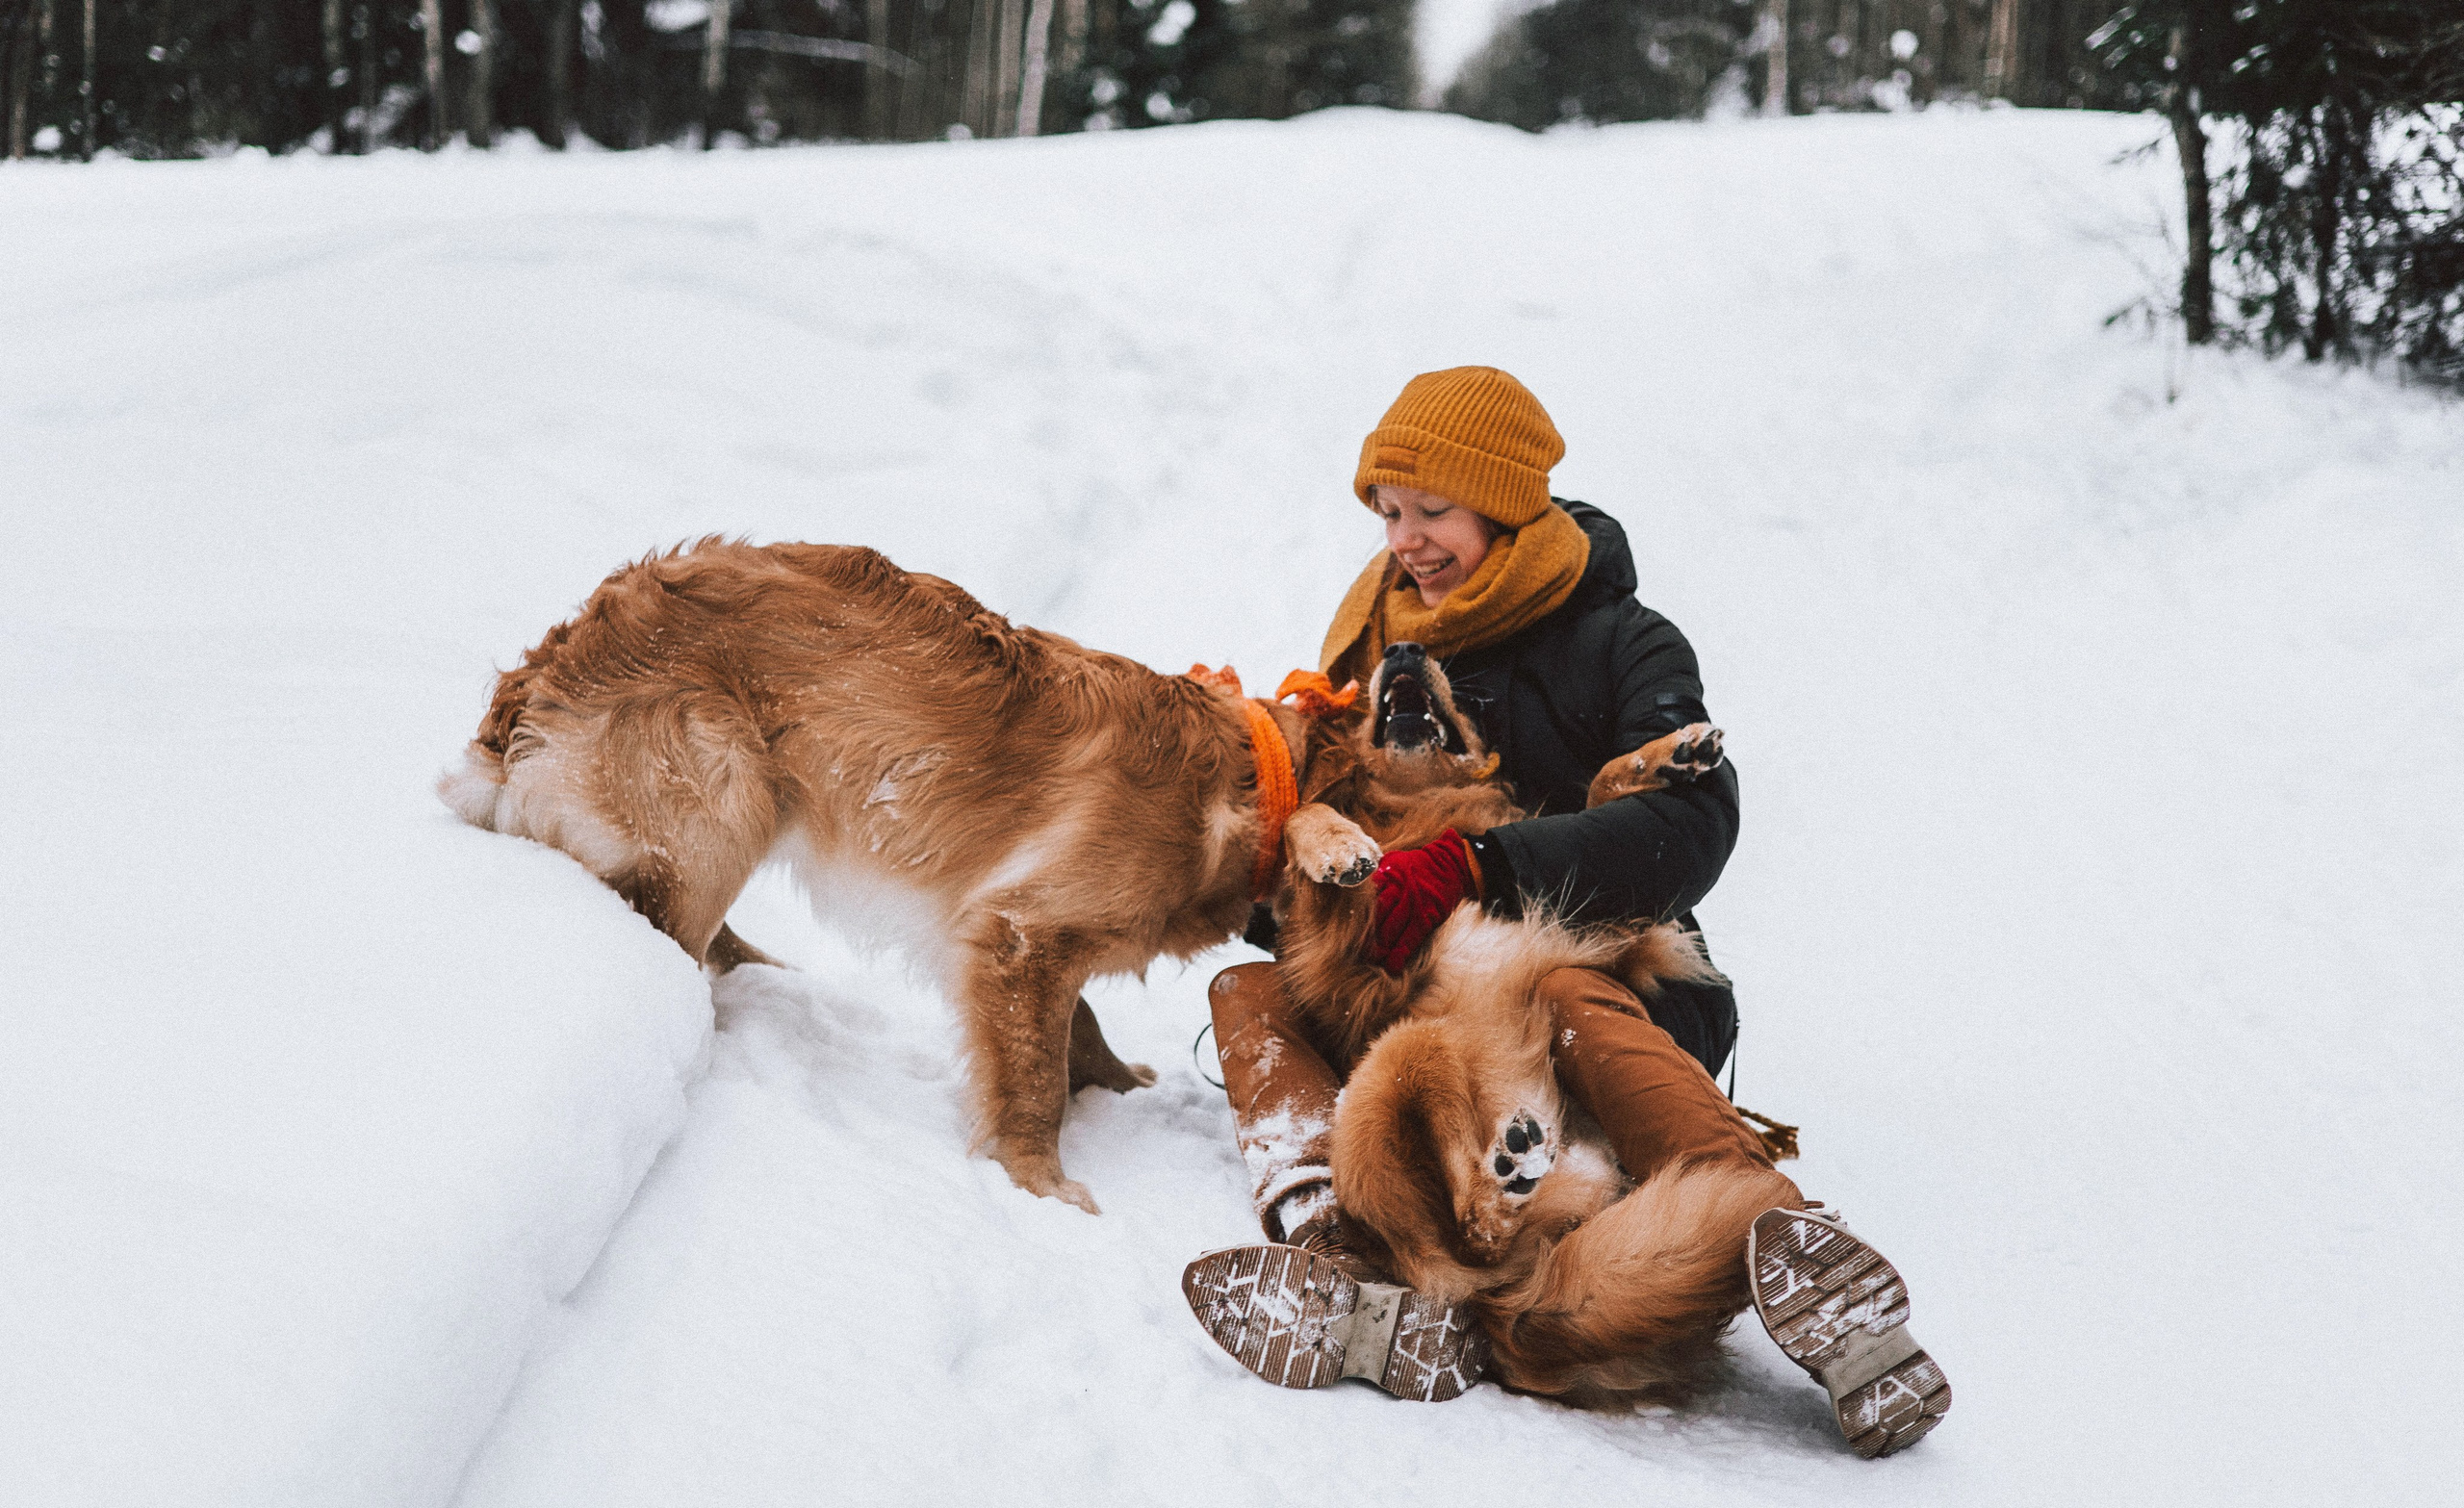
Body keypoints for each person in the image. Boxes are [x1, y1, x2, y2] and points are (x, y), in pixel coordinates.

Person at [1181, 368, 1949, 1457]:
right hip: (1425, 1003)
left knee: (1553, 980)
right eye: (1388, 514)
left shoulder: (1623, 642)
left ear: (1502, 501)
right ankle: (1332, 1247)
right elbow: (1325, 818)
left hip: (1606, 989)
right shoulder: (1370, 643)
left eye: (1431, 511)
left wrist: (1476, 862)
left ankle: (1787, 1241)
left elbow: (1689, 828)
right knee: (1247, 987)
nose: (1405, 540)